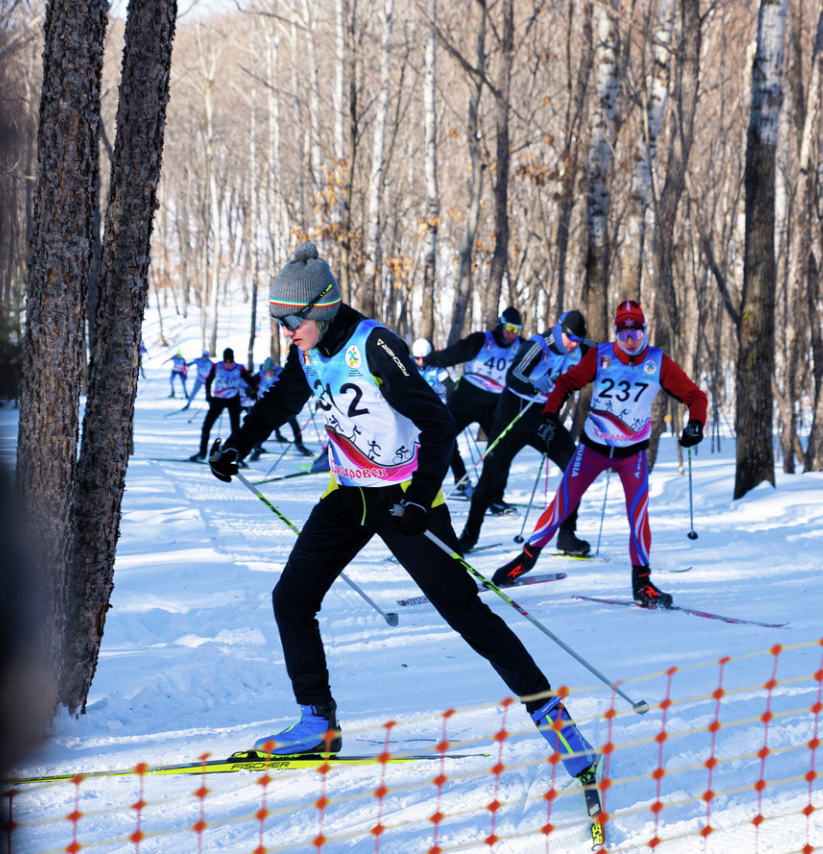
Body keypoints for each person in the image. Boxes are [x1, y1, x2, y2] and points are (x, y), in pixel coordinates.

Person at [206, 242, 598, 780]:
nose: (285, 331)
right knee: (291, 598)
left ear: (320, 308)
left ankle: (553, 718)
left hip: (404, 499)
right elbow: (280, 401)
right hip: (348, 495)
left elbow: (437, 424)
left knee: (466, 612)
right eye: (279, 321)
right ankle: (317, 721)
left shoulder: (375, 346)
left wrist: (418, 498)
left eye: (290, 320)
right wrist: (238, 442)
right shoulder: (307, 349)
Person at [493, 300, 708, 608]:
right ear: (616, 333)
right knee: (561, 504)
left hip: (632, 454)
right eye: (624, 334)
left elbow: (695, 396)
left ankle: (642, 584)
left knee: (638, 515)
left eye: (637, 333)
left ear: (645, 332)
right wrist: (549, 416)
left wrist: (696, 425)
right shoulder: (601, 355)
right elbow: (566, 382)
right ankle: (524, 561)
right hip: (593, 449)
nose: (631, 341)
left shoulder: (657, 361)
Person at [458, 310, 593, 557]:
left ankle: (567, 536)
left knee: (576, 468)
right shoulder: (538, 346)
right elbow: (514, 375)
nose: (574, 344)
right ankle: (468, 536)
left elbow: (606, 352)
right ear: (558, 329)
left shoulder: (580, 347)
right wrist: (533, 383)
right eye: (570, 338)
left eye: (578, 340)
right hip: (513, 418)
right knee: (490, 478)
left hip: (543, 420)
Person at [422, 308, 524, 503]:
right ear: (501, 325)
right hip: (466, 399)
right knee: (443, 436)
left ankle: (494, 496)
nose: (512, 333)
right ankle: (455, 483)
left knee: (501, 449)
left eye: (516, 329)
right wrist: (431, 360)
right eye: (509, 328)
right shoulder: (481, 340)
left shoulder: (521, 346)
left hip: (495, 404)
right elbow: (454, 354)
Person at [188, 348, 257, 462]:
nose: (228, 365)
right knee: (206, 426)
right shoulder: (217, 366)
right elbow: (208, 380)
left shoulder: (239, 368)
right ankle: (202, 453)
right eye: (226, 362)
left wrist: (253, 391)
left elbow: (251, 380)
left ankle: (237, 456)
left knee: (235, 429)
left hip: (233, 400)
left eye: (230, 363)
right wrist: (208, 394)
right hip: (218, 400)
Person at [249, 358, 315, 461]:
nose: (269, 373)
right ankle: (257, 448)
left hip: (283, 405)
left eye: (271, 371)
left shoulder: (282, 372)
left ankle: (299, 445)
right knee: (262, 426)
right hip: (267, 406)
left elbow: (294, 380)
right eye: (267, 371)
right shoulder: (259, 376)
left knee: (294, 423)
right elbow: (250, 385)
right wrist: (250, 391)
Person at [410, 338, 449, 402]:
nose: (421, 362)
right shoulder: (409, 366)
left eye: (424, 358)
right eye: (417, 358)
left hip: (438, 404)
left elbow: (451, 387)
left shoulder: (438, 368)